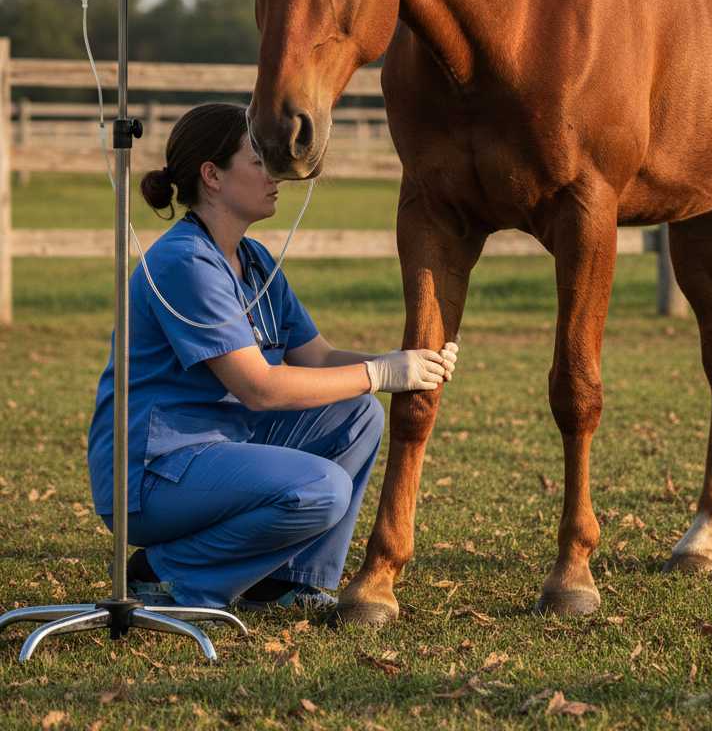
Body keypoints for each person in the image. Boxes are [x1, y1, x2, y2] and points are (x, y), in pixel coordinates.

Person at [86, 102, 458, 612]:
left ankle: (284, 582)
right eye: (258, 160)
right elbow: (259, 389)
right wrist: (379, 373)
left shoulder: (255, 259)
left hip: (214, 450)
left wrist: (406, 363)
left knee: (357, 414)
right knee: (321, 488)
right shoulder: (184, 262)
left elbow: (318, 357)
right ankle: (167, 574)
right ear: (212, 176)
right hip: (153, 475)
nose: (275, 173)